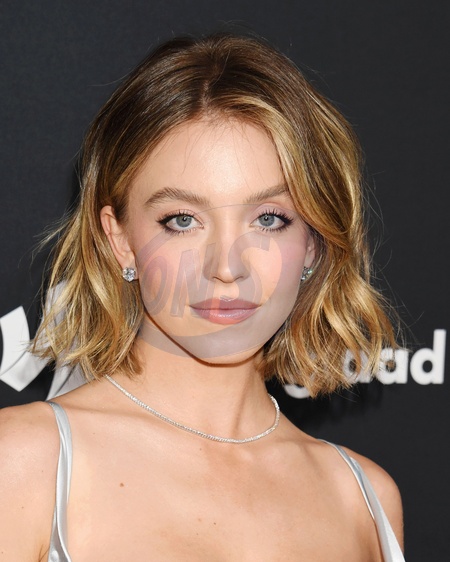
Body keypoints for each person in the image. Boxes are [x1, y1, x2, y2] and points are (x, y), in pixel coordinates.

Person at [0, 33, 404, 561]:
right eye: (182, 220)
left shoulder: (365, 499)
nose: (227, 268)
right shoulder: (25, 463)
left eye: (269, 219)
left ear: (312, 241)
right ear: (120, 239)